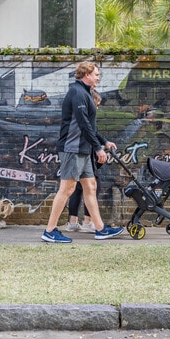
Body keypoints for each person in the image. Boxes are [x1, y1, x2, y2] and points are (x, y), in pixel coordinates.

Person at [41, 61, 124, 243]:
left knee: (91, 186)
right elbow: (82, 123)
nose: (98, 77)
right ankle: (50, 230)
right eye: (96, 74)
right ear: (86, 74)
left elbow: (91, 126)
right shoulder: (77, 93)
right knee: (67, 188)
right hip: (73, 149)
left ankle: (100, 229)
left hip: (83, 149)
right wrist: (98, 148)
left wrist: (104, 142)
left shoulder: (86, 93)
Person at [65, 90, 103, 233]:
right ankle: (87, 221)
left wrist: (104, 142)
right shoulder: (84, 117)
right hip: (83, 153)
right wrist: (100, 147)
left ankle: (73, 222)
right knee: (93, 187)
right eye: (96, 105)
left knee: (76, 188)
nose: (97, 108)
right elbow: (92, 133)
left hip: (78, 153)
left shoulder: (79, 115)